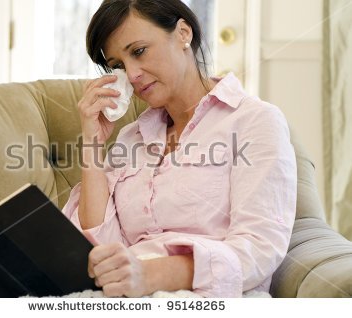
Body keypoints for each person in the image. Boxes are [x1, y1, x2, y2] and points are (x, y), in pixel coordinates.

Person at [62, 0, 297, 298]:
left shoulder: (254, 121)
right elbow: (100, 245)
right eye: (118, 65)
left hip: (207, 298)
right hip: (121, 297)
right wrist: (92, 142)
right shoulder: (131, 138)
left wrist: (150, 275)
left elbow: (259, 248)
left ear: (183, 33)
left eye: (138, 51)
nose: (132, 74)